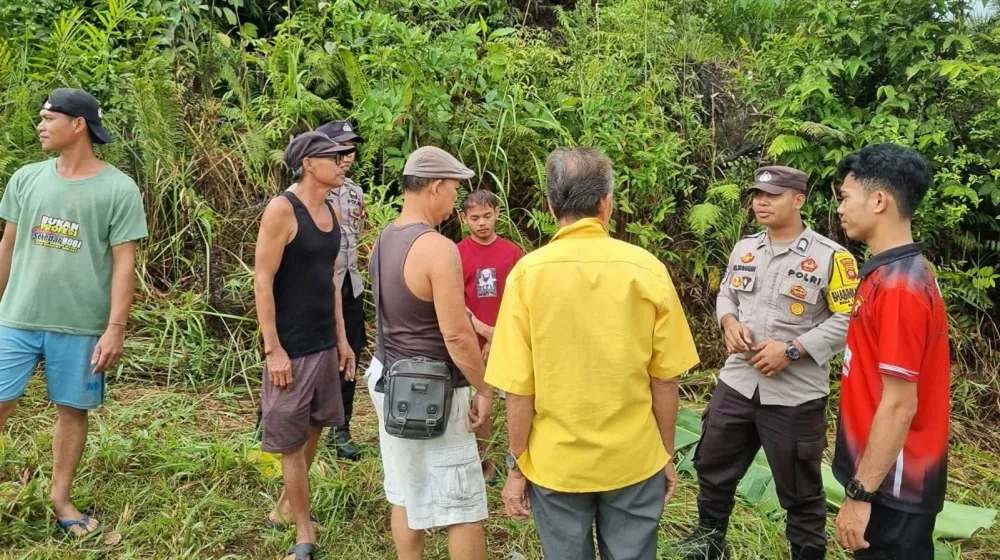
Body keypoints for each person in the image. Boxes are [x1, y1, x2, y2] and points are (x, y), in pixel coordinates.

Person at [488, 147, 699, 560]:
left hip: (556, 462)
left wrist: (516, 467)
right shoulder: (646, 268)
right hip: (634, 460)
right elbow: (666, 379)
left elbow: (519, 390)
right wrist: (665, 455)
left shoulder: (528, 275)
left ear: (551, 206)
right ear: (606, 203)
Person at [678, 166, 860, 560]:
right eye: (757, 195)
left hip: (794, 394)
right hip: (739, 381)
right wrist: (727, 321)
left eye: (772, 195)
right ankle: (709, 542)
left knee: (799, 487)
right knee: (713, 466)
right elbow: (727, 294)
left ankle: (807, 553)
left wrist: (792, 349)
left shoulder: (832, 257)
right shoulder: (745, 248)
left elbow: (849, 319)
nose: (761, 202)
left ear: (798, 199)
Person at [0, 88, 147, 537]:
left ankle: (60, 500)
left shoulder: (119, 189)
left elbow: (125, 264)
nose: (40, 125)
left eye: (48, 117)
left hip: (81, 326)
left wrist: (115, 328)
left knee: (71, 409)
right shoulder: (26, 178)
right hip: (17, 318)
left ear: (77, 124)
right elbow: (7, 246)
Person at [366, 146, 492, 560]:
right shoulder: (438, 248)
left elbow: (415, 306)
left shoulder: (384, 240)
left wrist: (475, 321)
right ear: (435, 187)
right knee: (462, 502)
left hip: (389, 379)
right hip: (433, 391)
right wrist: (485, 388)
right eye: (455, 190)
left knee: (405, 489)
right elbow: (454, 336)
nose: (456, 201)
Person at [832, 144, 948, 560]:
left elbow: (900, 404)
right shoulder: (886, 272)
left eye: (845, 197)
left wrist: (860, 494)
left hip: (894, 487)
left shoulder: (900, 288)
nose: (840, 208)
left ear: (879, 200)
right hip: (883, 478)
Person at [254, 131, 357, 560]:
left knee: (316, 424)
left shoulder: (331, 210)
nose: (343, 162)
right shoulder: (283, 210)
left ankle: (286, 505)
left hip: (323, 342)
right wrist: (273, 348)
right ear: (310, 163)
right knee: (291, 439)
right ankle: (303, 530)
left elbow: (331, 280)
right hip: (291, 346)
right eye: (333, 156)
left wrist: (342, 339)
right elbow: (262, 279)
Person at [457, 189, 523, 484]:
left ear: (497, 213)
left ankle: (517, 461)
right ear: (463, 219)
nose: (482, 223)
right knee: (479, 403)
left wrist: (498, 338)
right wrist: (482, 332)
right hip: (472, 341)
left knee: (514, 401)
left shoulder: (512, 253)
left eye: (487, 216)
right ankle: (485, 463)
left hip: (508, 341)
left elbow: (520, 300)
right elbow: (454, 301)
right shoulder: (456, 254)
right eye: (474, 218)